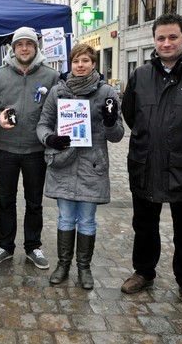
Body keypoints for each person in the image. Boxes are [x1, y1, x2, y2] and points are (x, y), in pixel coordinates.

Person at [121, 13, 182, 312]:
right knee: (144, 225)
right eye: (161, 38)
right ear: (154, 41)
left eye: (172, 37)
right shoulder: (141, 75)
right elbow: (130, 115)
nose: (166, 43)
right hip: (145, 163)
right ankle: (144, 272)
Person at [36, 43, 124, 289]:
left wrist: (109, 120)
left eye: (85, 60)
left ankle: (84, 268)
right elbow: (43, 124)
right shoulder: (58, 92)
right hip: (63, 164)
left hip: (91, 166)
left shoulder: (106, 92)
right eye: (76, 61)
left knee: (86, 220)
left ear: (93, 64)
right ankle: (63, 264)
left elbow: (117, 134)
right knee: (65, 219)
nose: (80, 65)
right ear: (70, 65)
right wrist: (50, 139)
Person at [0, 26, 59, 269]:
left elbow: (58, 109)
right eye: (19, 44)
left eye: (29, 44)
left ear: (36, 47)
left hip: (36, 151)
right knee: (6, 201)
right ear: (13, 48)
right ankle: (5, 246)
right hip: (7, 150)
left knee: (34, 202)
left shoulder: (50, 76)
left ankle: (34, 247)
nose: (24, 48)